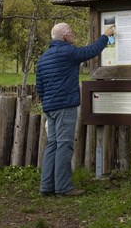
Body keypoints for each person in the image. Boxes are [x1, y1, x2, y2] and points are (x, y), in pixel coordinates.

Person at [36, 22, 114, 196]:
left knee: (53, 145)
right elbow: (90, 51)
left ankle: (46, 186)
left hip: (50, 107)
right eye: (71, 31)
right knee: (64, 145)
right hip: (65, 106)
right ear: (65, 37)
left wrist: (47, 102)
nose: (74, 33)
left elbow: (39, 87)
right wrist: (105, 36)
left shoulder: (44, 57)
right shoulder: (67, 52)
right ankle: (63, 188)